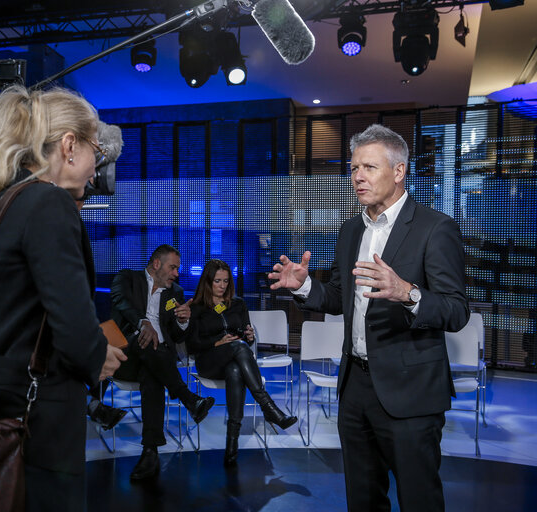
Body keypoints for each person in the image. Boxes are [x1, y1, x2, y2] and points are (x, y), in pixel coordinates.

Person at [0, 85, 125, 511]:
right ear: (69, 145)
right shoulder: (48, 204)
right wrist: (97, 354)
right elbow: (73, 322)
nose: (97, 165)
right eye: (95, 148)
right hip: (34, 410)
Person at [269, 124, 469, 511]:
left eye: (369, 167)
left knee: (419, 498)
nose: (357, 176)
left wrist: (407, 293)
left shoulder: (435, 228)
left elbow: (456, 311)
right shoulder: (349, 231)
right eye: (353, 167)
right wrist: (305, 286)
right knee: (362, 498)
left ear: (399, 171)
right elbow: (341, 298)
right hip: (355, 387)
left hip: (411, 392)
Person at [108, 244, 215, 481]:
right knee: (144, 341)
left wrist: (184, 322)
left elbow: (176, 337)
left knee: (153, 370)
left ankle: (150, 452)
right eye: (173, 267)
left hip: (157, 361)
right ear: (157, 264)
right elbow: (121, 303)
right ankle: (189, 398)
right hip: (125, 356)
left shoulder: (175, 292)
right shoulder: (127, 278)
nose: (177, 273)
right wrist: (143, 323)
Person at [190, 259, 297, 467]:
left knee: (235, 369)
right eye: (218, 281)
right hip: (209, 361)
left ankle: (232, 446)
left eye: (226, 281)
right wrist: (217, 342)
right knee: (238, 349)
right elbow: (193, 345)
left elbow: (248, 338)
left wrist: (249, 336)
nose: (222, 286)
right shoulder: (197, 308)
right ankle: (269, 407)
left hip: (234, 360)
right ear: (207, 282)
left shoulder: (237, 304)